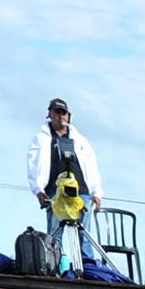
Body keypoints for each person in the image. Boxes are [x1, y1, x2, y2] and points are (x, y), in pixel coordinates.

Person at [25, 99, 105, 272]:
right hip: (54, 190)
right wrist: (38, 190)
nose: (60, 117)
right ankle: (55, 265)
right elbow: (34, 166)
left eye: (63, 113)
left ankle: (88, 265)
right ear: (50, 114)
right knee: (55, 230)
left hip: (80, 190)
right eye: (56, 112)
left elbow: (91, 166)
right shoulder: (41, 139)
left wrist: (96, 193)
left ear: (68, 116)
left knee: (84, 230)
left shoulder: (80, 140)